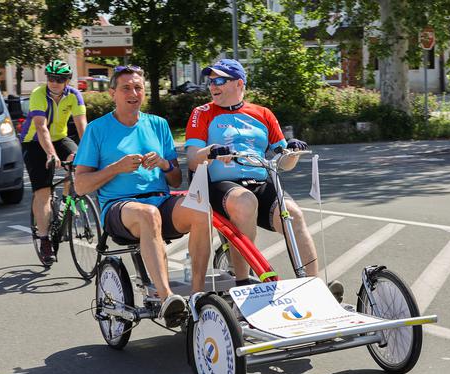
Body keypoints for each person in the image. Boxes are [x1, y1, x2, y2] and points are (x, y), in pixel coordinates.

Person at [185, 59, 343, 300]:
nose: (212, 85)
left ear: (239, 83)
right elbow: (193, 159)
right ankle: (242, 281)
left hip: (258, 181)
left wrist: (293, 151)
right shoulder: (202, 113)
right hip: (218, 185)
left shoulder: (263, 113)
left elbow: (285, 163)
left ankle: (314, 286)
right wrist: (211, 151)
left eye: (219, 80)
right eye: (210, 81)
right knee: (245, 202)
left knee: (293, 215)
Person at [74, 65, 210, 326]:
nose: (133, 93)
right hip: (119, 207)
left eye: (138, 87)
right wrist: (116, 167)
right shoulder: (97, 129)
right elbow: (81, 185)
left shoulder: (158, 124)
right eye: (126, 88)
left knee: (201, 209)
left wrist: (163, 164)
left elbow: (175, 179)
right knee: (149, 215)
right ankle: (166, 296)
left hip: (160, 198)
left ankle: (196, 294)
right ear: (113, 93)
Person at [20, 60, 88, 265]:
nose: (55, 83)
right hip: (34, 142)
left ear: (67, 80)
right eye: (51, 78)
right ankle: (44, 239)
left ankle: (66, 201)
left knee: (77, 163)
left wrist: (86, 153)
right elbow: (41, 128)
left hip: (60, 138)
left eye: (60, 79)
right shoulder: (38, 94)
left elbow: (82, 125)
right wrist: (51, 154)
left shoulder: (74, 95)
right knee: (43, 192)